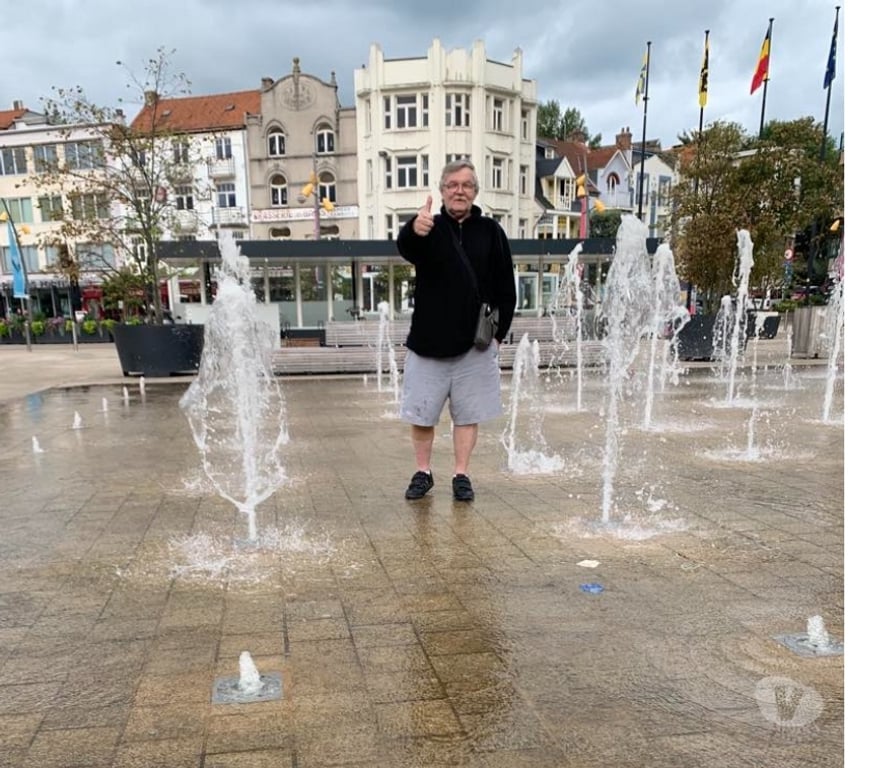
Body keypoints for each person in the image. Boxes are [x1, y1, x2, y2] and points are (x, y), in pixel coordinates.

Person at [396, 159, 516, 502]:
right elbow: (407, 248)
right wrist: (412, 229)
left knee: (467, 415)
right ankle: (423, 471)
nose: (459, 190)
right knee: (422, 414)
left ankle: (461, 474)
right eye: (452, 185)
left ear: (475, 191)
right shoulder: (428, 227)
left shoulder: (491, 232)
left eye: (465, 185)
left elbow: (506, 287)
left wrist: (497, 335)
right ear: (442, 190)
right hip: (427, 343)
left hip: (473, 347)